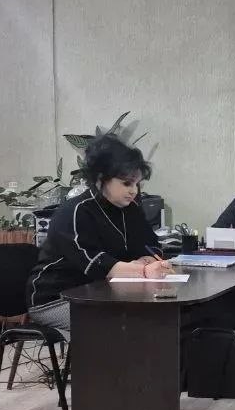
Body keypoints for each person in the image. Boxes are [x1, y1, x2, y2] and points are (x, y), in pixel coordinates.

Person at [27, 135, 172, 338]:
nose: (133, 191)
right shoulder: (75, 212)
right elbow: (97, 264)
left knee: (158, 318)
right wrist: (144, 270)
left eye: (137, 184)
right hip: (57, 298)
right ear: (101, 178)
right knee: (123, 325)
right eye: (127, 183)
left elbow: (151, 245)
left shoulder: (130, 210)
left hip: (103, 294)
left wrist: (147, 259)